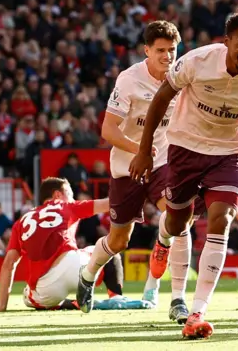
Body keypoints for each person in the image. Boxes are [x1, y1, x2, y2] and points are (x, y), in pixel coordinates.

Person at [128, 12, 238, 339]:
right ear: (225, 42)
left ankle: (197, 311)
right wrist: (144, 151)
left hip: (229, 155)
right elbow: (160, 100)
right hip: (184, 149)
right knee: (176, 222)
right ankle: (164, 238)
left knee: (221, 220)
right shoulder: (196, 61)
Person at [77, 20, 193, 323]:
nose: (167, 56)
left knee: (178, 216)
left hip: (163, 161)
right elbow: (108, 130)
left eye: (172, 50)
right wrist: (138, 149)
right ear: (146, 51)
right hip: (127, 165)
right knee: (118, 242)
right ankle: (88, 274)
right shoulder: (129, 79)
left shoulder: (183, 76)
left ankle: (178, 298)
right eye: (160, 51)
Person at [0, 177, 152, 312]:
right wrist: (138, 193)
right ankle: (116, 298)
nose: (72, 197)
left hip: (46, 288)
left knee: (28, 298)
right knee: (109, 250)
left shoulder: (21, 221)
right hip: (76, 268)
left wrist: (1, 306)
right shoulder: (67, 206)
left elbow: (8, 265)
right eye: (69, 194)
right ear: (58, 194)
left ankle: (76, 303)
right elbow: (110, 204)